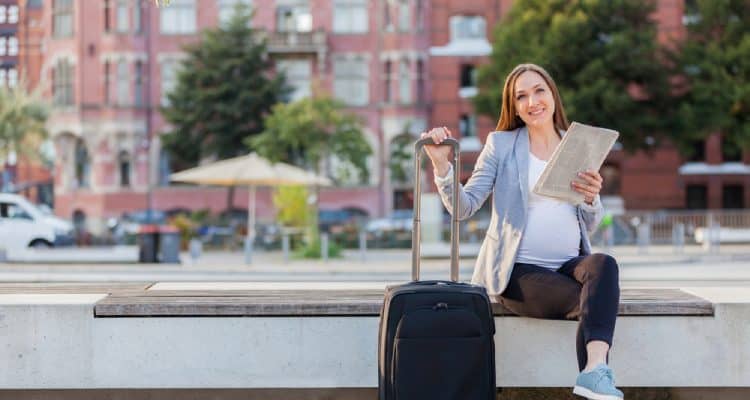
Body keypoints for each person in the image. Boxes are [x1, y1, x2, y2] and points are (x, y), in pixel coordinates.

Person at [421, 63, 622, 400]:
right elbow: (464, 206)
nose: (533, 101)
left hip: (568, 267)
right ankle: (594, 378)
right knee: (597, 304)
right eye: (522, 96)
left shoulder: (577, 145)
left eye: (539, 91)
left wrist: (592, 198)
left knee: (605, 266)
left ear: (552, 95)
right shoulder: (501, 144)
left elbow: (587, 223)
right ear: (513, 107)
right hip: (517, 274)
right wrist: (443, 167)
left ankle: (593, 371)